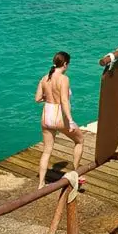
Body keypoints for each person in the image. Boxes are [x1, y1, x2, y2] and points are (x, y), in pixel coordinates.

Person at [35, 51, 84, 189]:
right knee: (79, 141)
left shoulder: (44, 78)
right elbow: (64, 100)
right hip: (58, 115)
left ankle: (41, 183)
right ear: (65, 64)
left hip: (46, 115)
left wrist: (48, 98)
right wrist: (70, 120)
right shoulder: (63, 79)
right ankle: (75, 174)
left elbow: (38, 99)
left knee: (47, 150)